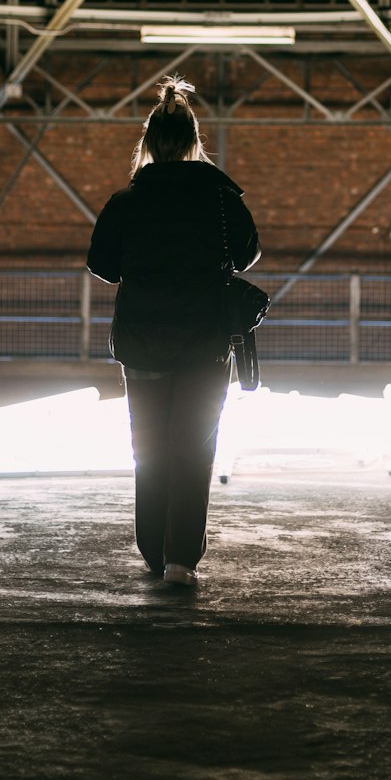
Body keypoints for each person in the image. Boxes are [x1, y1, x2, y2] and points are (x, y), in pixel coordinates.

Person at [86, 75, 260, 587]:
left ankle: (152, 550)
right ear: (192, 142)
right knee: (194, 447)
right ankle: (182, 558)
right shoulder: (222, 199)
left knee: (150, 448)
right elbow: (247, 253)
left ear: (148, 145)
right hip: (205, 344)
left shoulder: (126, 201)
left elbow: (102, 264)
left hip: (141, 343)